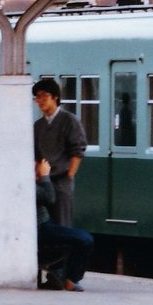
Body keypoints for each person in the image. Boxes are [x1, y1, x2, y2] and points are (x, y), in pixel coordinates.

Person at [32, 77, 87, 226]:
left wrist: (69, 174)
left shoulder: (69, 120)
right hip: (43, 182)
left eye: (44, 96)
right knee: (42, 223)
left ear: (55, 97)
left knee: (62, 224)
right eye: (37, 97)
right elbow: (36, 155)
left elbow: (78, 150)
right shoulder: (38, 126)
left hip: (61, 182)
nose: (40, 100)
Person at [35, 159, 93, 292]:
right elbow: (49, 197)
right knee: (85, 239)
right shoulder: (26, 184)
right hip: (41, 228)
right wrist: (44, 176)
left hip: (42, 227)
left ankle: (60, 276)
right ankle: (71, 280)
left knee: (71, 237)